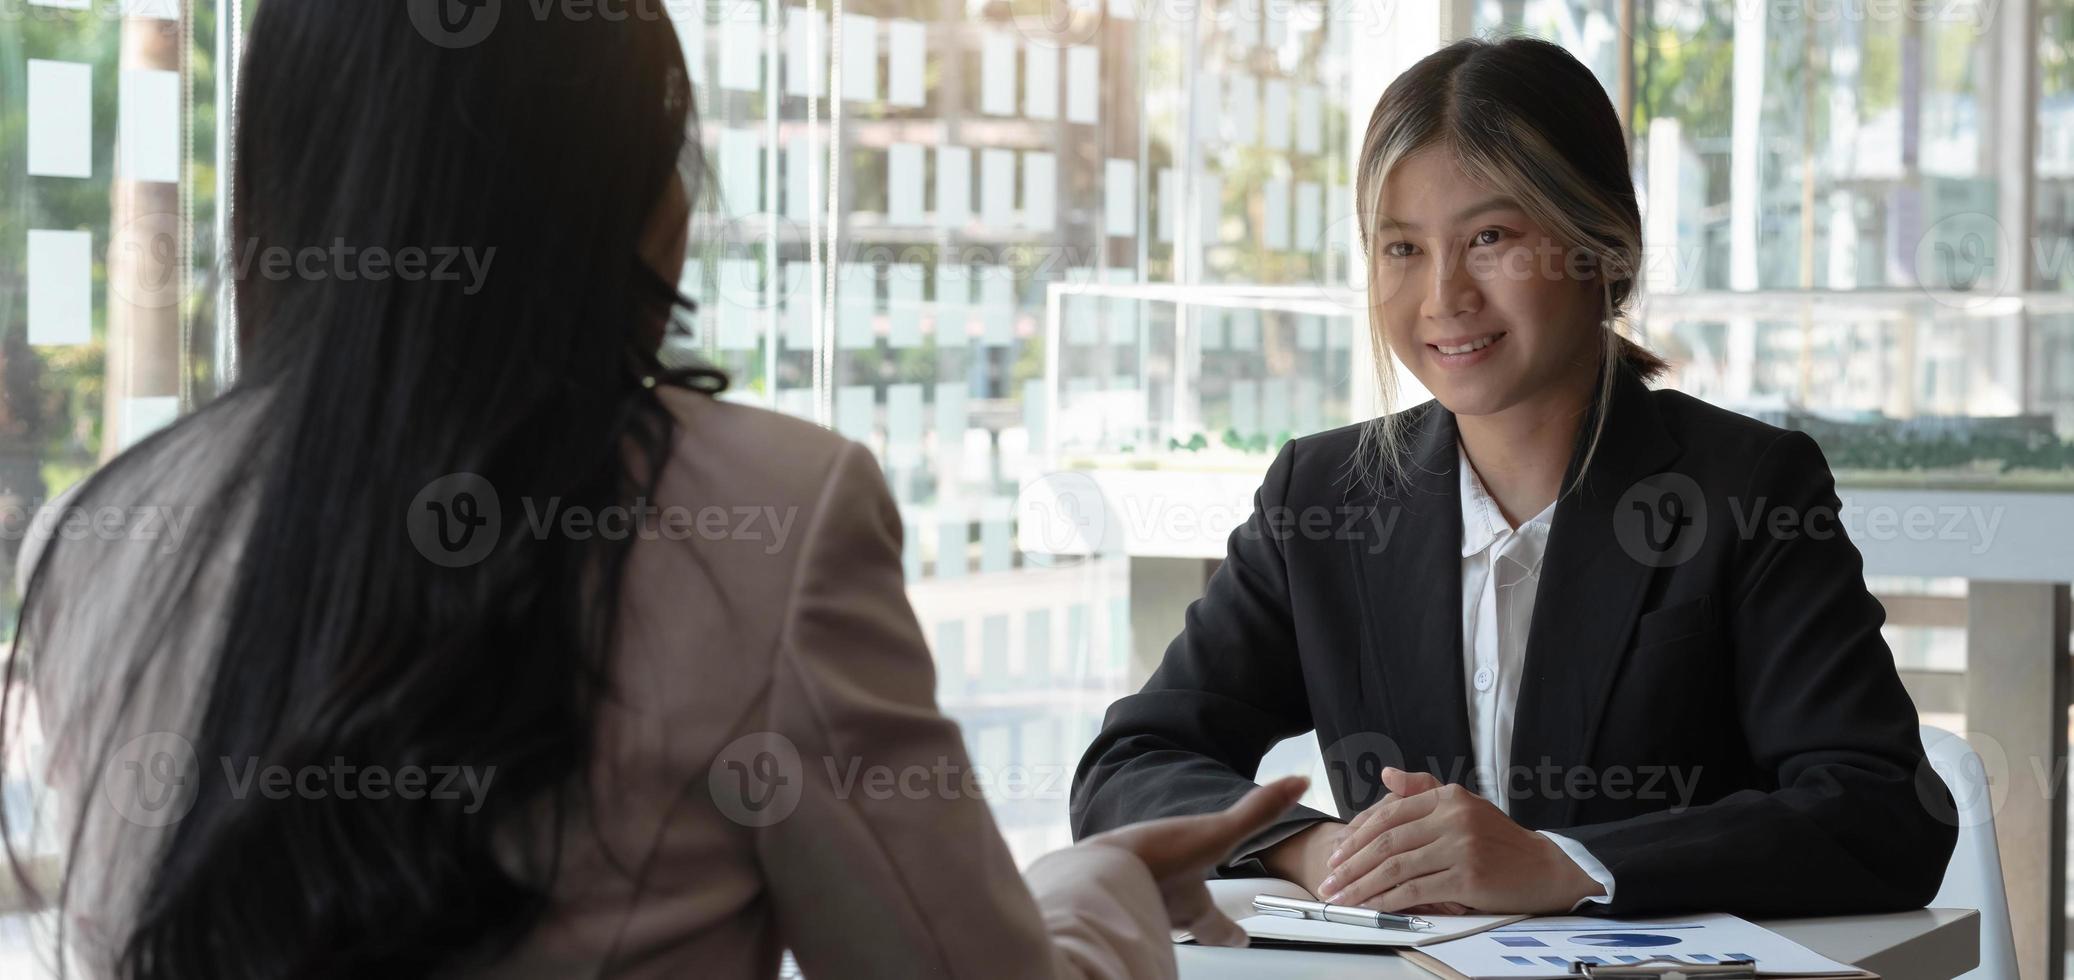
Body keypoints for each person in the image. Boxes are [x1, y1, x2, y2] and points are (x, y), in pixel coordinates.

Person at [0, 4, 1304, 977]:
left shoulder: (103, 538)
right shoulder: (767, 512)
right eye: (669, 151)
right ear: (604, 190)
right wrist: (1092, 894)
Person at [1069, 36, 1958, 920]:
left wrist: (1563, 865)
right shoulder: (1325, 495)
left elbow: (1882, 811)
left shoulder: (1749, 489)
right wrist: (1315, 847)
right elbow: (1128, 766)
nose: (1443, 296)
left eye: (1490, 237)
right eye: (1402, 248)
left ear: (1602, 248)